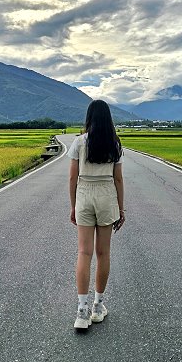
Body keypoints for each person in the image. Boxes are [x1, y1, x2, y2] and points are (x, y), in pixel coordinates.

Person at [68, 99, 125, 331]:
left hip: (84, 193)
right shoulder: (115, 143)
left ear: (89, 118)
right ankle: (98, 306)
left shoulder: (79, 142)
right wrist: (121, 209)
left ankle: (81, 312)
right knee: (103, 253)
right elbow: (119, 179)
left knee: (84, 252)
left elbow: (72, 178)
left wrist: (73, 206)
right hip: (106, 195)